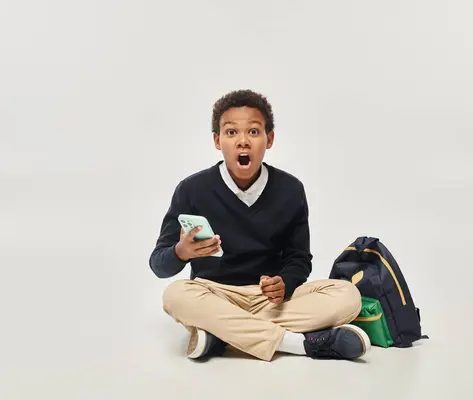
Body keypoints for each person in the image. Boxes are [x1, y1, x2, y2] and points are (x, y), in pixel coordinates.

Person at [149, 89, 370, 362]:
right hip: (214, 293)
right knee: (175, 295)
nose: (243, 141)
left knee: (347, 296)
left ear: (270, 139)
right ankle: (300, 344)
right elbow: (159, 265)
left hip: (271, 300)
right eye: (231, 133)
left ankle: (220, 333)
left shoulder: (290, 189)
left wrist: (285, 283)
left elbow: (299, 259)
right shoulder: (192, 189)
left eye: (253, 132)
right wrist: (181, 252)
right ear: (217, 141)